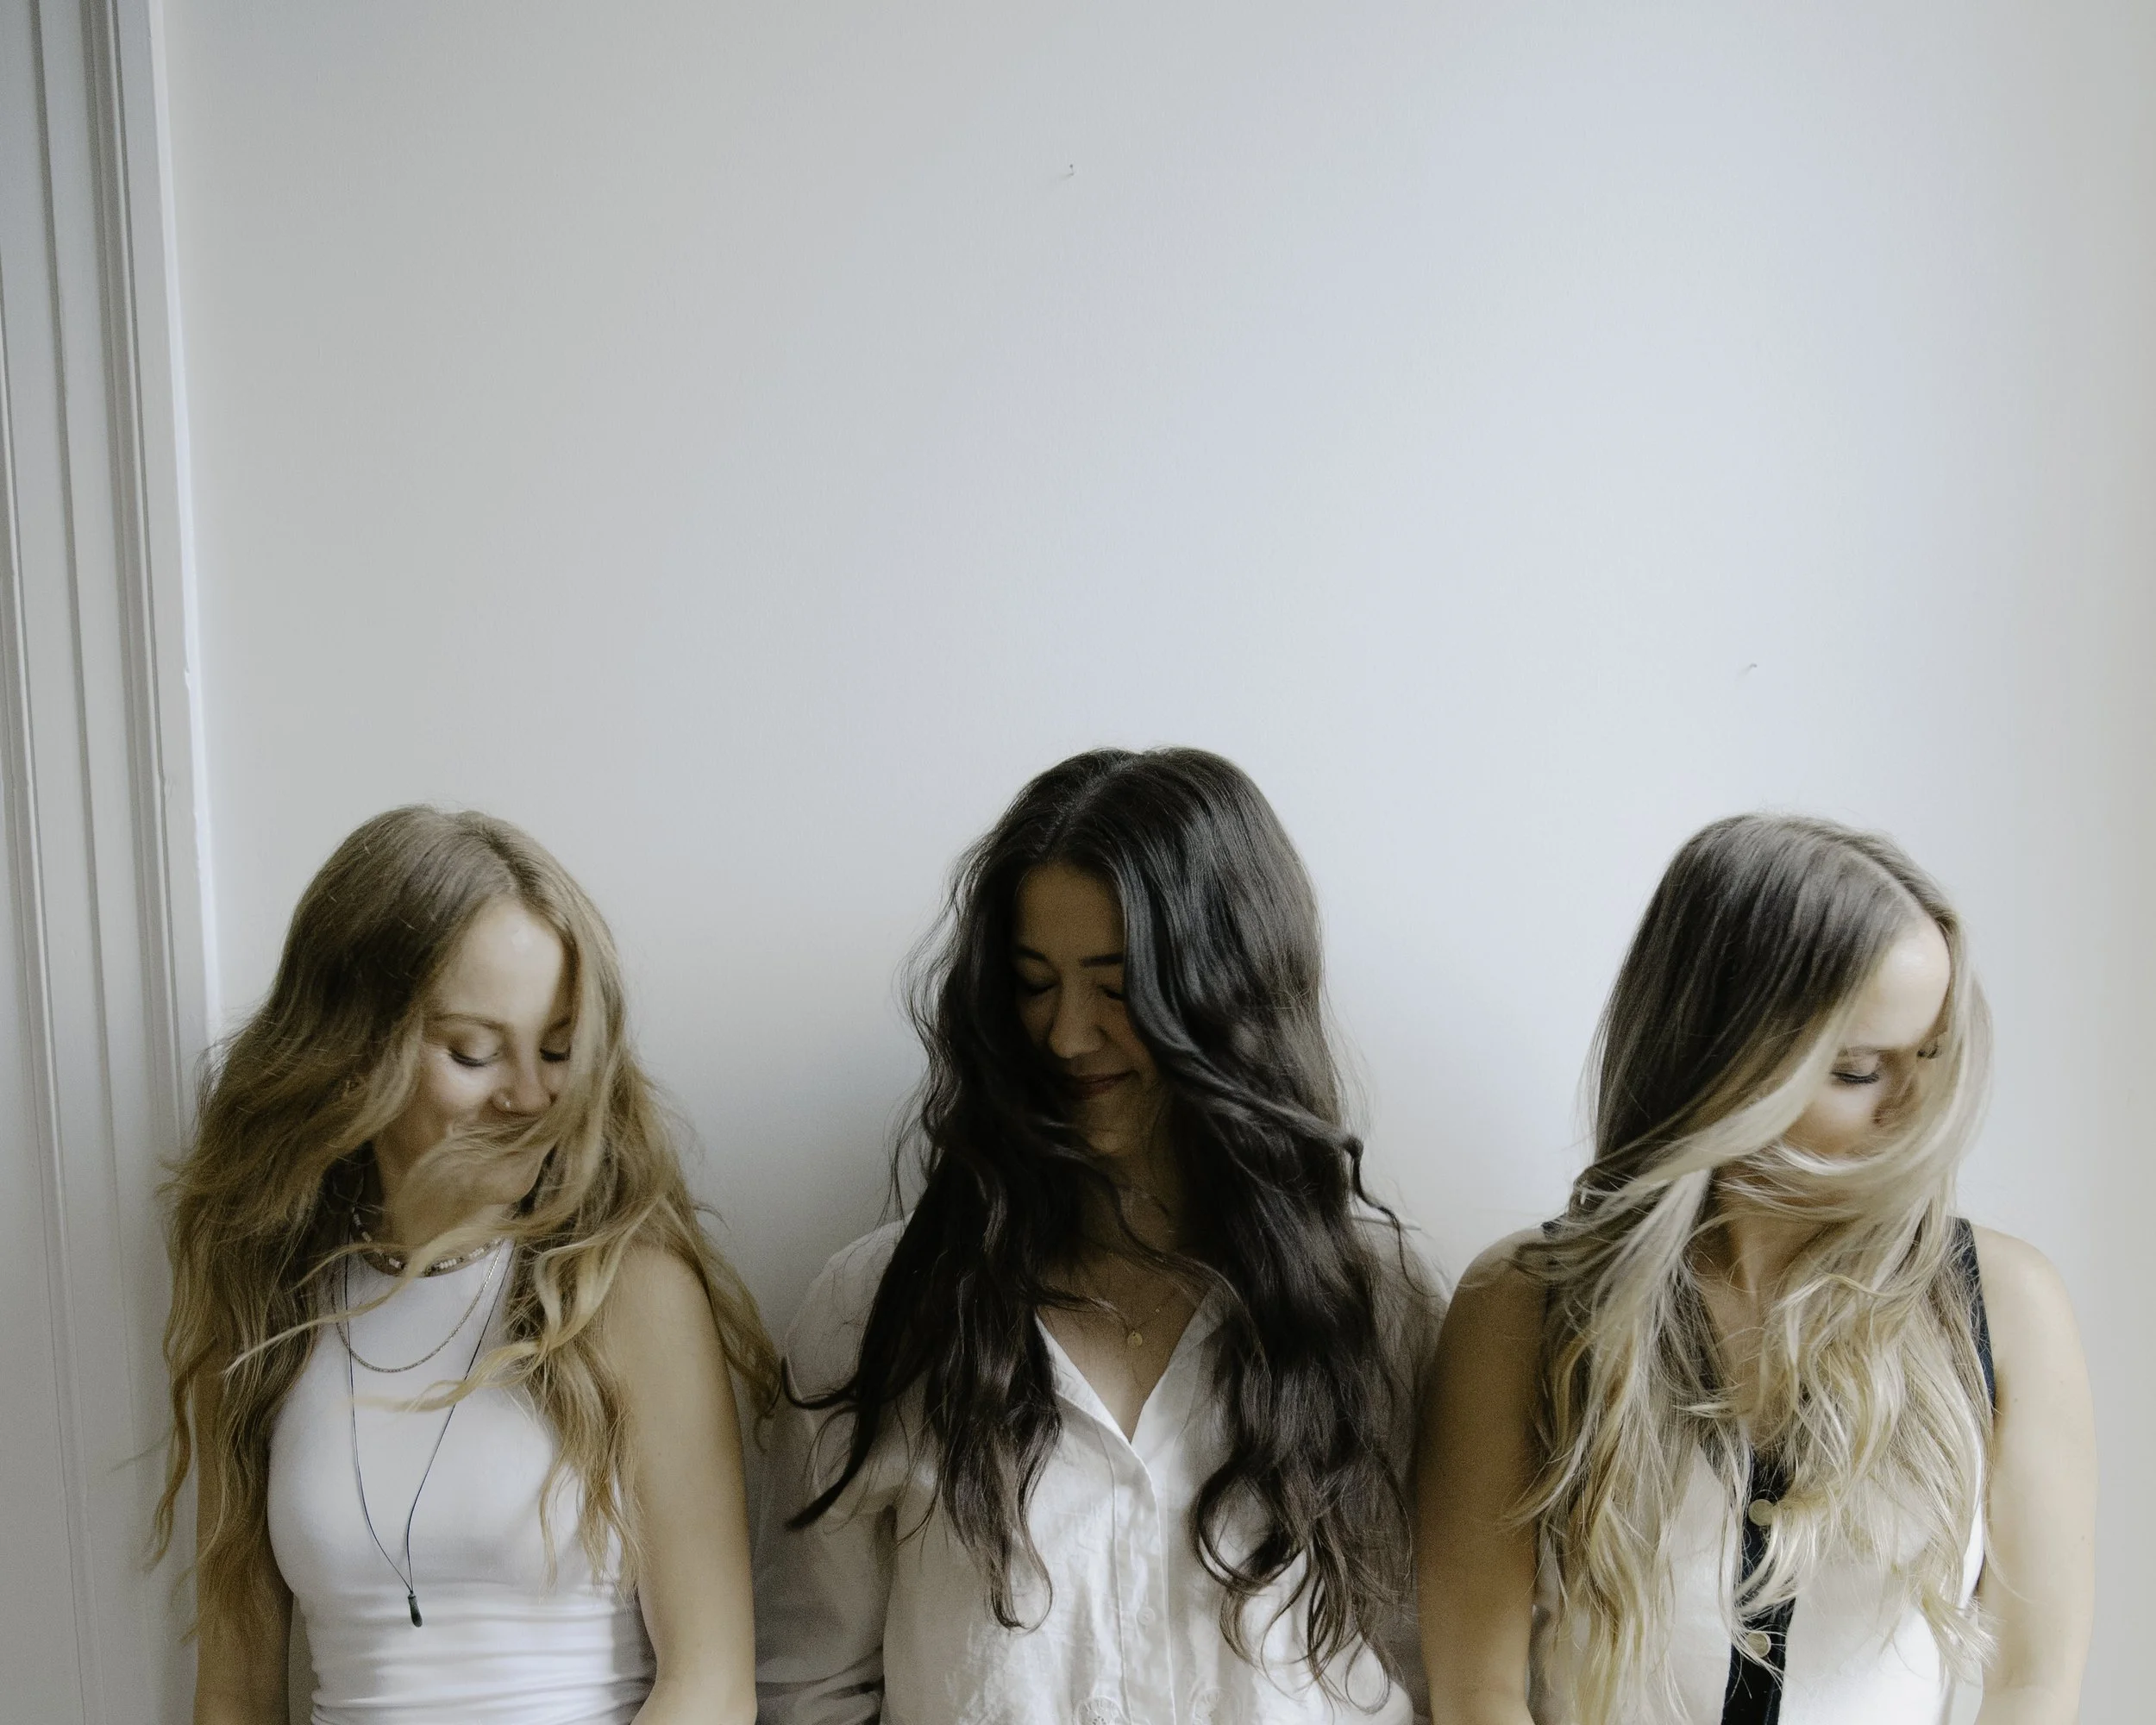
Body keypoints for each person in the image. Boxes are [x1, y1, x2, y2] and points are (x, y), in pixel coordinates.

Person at [755, 747, 1444, 1724]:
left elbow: (1428, 1669)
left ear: (1228, 993)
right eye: (1033, 983)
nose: (1068, 1035)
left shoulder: (1375, 1305)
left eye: (1118, 986)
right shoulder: (878, 1309)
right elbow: (810, 1684)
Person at [1417, 813, 2096, 1724]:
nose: (1917, 1108)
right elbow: (1477, 1691)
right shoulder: (1522, 1304)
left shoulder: (2003, 1303)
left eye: (1931, 1055)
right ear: (1719, 1061)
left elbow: (2034, 1682)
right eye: (1857, 1069)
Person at [155, 807, 775, 1725]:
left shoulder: (631, 1289)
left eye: (558, 1049)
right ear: (352, 1049)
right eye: (474, 1051)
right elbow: (233, 1695)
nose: (530, 1095)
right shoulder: (265, 1299)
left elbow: (712, 1685)